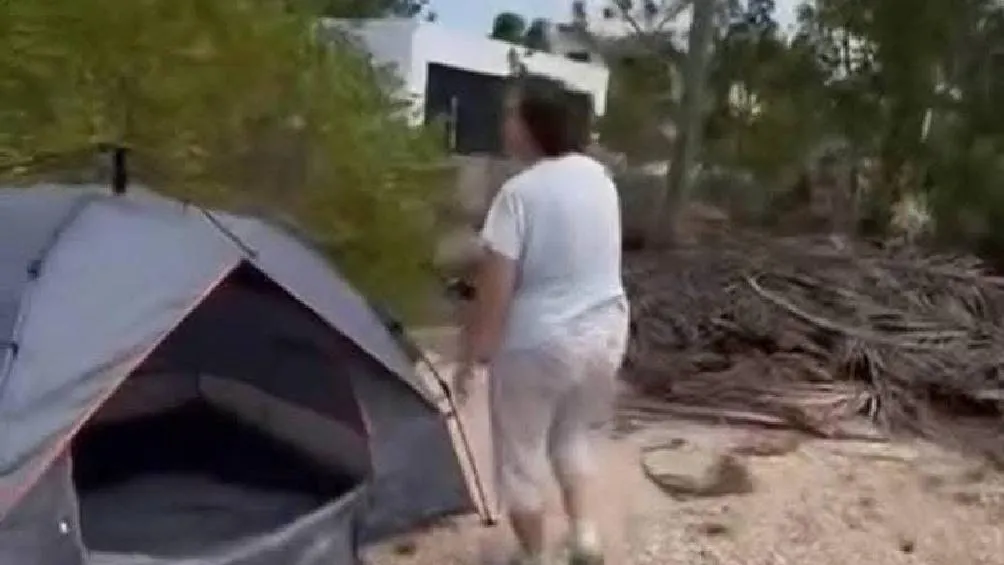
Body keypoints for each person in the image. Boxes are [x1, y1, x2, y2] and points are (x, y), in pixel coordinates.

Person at [453, 74, 629, 565]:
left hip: (539, 344)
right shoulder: (600, 178)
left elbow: (495, 289)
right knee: (572, 436)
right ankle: (585, 538)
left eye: (511, 114)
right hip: (605, 333)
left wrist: (473, 356)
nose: (504, 124)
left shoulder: (518, 194)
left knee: (520, 457)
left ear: (532, 125)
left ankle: (534, 557)